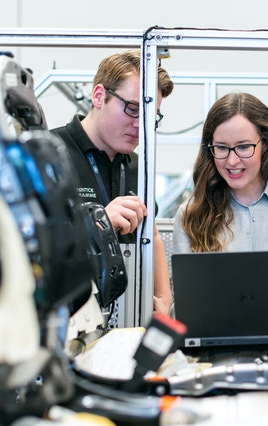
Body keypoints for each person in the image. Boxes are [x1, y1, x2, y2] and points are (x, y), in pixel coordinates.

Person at [52, 50, 173, 315]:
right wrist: (99, 223)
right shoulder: (49, 155)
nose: (140, 125)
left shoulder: (139, 166)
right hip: (68, 315)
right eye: (132, 109)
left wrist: (163, 297)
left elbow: (150, 233)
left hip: (127, 316)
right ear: (99, 96)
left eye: (151, 116)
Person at [173, 92, 268, 253]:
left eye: (243, 147)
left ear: (265, 145)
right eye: (221, 147)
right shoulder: (190, 216)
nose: (232, 161)